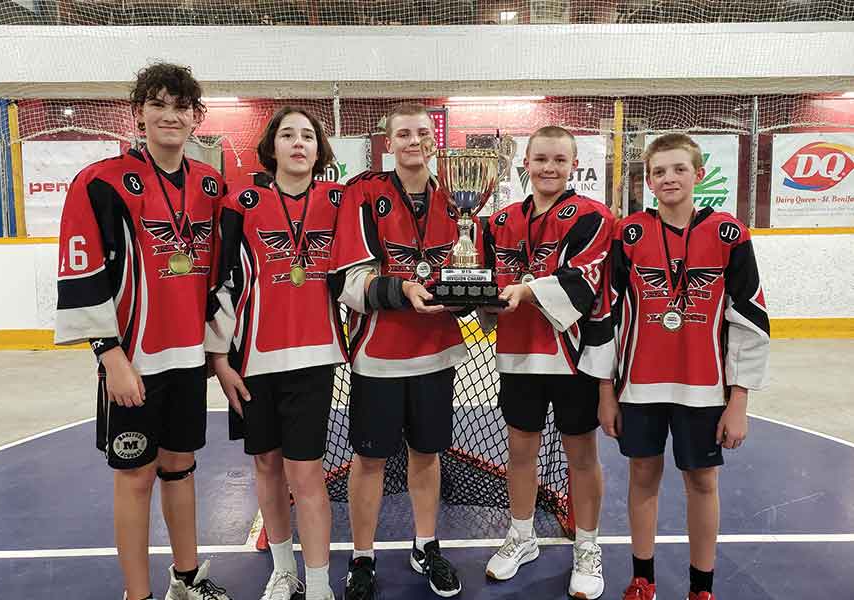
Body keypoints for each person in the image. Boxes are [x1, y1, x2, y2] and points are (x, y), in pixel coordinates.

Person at [54, 62, 231, 600]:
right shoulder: (100, 182)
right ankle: (138, 595)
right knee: (135, 477)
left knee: (181, 467)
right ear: (139, 113)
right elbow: (82, 271)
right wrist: (110, 355)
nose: (170, 116)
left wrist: (215, 352)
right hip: (133, 361)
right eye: (158, 104)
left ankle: (186, 578)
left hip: (187, 359)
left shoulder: (210, 185)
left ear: (196, 118)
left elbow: (222, 274)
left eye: (181, 107)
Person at [597, 133, 770, 600]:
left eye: (678, 169)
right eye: (659, 171)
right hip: (639, 388)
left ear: (698, 174)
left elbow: (750, 320)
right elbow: (607, 316)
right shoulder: (628, 233)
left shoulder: (728, 233)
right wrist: (605, 392)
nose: (669, 178)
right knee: (641, 476)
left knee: (701, 481)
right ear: (648, 180)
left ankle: (701, 586)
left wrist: (740, 400)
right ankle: (643, 577)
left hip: (704, 388)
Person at [329, 102, 472, 599]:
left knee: (427, 453)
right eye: (404, 134)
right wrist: (405, 291)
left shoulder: (456, 200)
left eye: (423, 133)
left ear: (435, 140)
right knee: (369, 460)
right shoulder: (364, 194)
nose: (415, 141)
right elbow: (349, 280)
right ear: (388, 143)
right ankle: (363, 556)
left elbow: (464, 272)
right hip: (379, 355)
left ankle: (425, 545)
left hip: (436, 352)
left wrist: (467, 298)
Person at [206, 106, 345, 600]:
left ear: (319, 149)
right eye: (288, 134)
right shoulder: (242, 203)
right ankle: (284, 569)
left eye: (308, 135)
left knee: (306, 472)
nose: (298, 143)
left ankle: (322, 582)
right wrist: (219, 359)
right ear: (272, 147)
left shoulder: (339, 201)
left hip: (313, 359)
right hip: (252, 360)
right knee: (266, 465)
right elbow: (222, 282)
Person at [478, 126, 614, 599]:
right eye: (540, 160)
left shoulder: (593, 217)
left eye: (559, 160)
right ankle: (522, 535)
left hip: (572, 359)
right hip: (518, 357)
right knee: (520, 452)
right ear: (526, 164)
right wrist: (475, 299)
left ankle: (587, 546)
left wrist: (526, 289)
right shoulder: (498, 222)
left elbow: (582, 281)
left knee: (581, 456)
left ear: (574, 165)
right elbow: (485, 282)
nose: (549, 168)